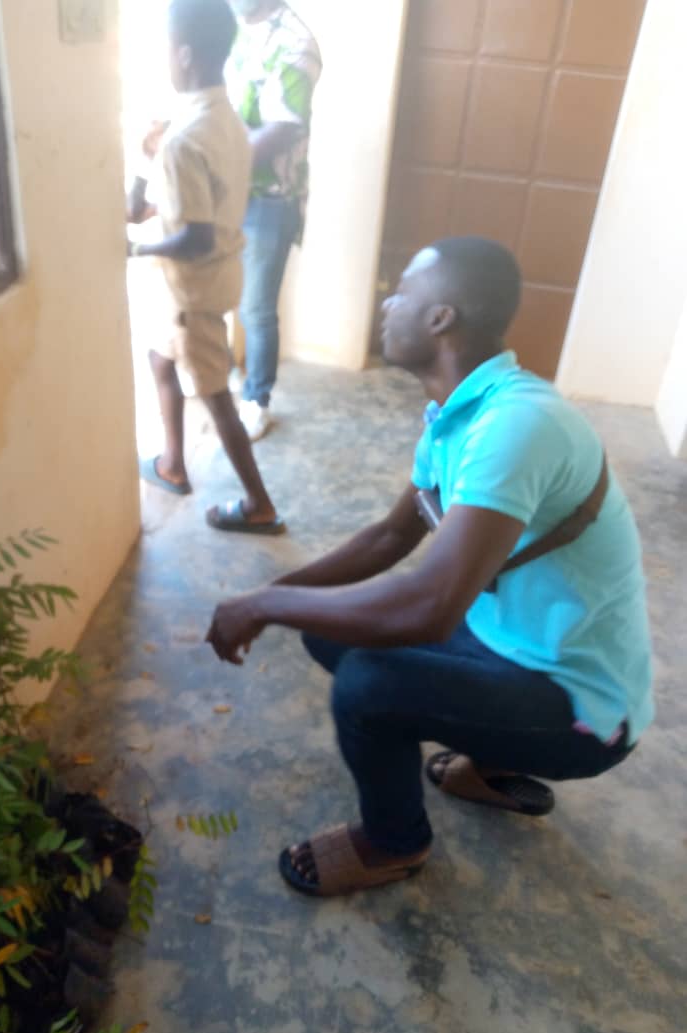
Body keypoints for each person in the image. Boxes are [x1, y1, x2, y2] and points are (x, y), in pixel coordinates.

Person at [206, 237, 654, 897]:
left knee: (367, 683)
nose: (388, 304)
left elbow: (429, 607)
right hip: (509, 643)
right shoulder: (459, 415)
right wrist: (271, 593)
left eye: (402, 293)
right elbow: (390, 535)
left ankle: (394, 843)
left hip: (582, 705)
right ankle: (487, 763)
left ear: (442, 318)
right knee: (328, 628)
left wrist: (264, 607)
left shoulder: (517, 425)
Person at [127, 0, 285, 535]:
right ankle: (173, 463)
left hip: (191, 291)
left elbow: (194, 239)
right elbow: (186, 209)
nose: (164, 58)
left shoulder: (184, 138)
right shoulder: (225, 119)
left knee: (217, 398)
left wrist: (135, 250)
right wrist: (145, 161)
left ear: (185, 55)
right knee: (160, 359)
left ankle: (260, 504)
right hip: (214, 278)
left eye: (166, 48)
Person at [227, 1, 322, 441]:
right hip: (224, 191)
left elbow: (282, 129)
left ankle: (256, 401)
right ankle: (225, 377)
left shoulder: (296, 43)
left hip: (269, 198)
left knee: (257, 308)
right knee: (218, 291)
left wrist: (214, 160)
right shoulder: (228, 25)